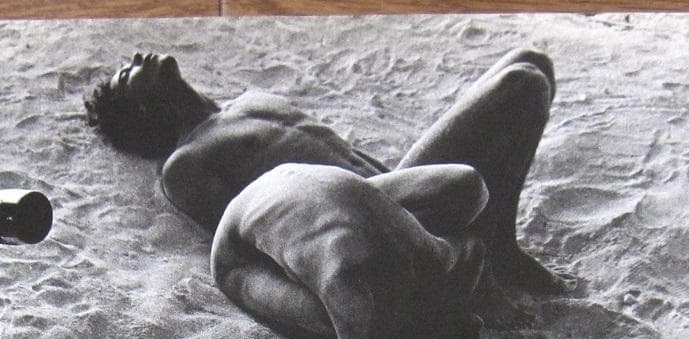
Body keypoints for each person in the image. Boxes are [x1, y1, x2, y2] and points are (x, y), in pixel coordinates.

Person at [85, 47, 565, 294]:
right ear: (141, 109)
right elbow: (247, 239)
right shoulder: (184, 164)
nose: (138, 58)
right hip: (369, 217)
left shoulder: (247, 102)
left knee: (531, 62)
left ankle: (495, 237)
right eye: (128, 73)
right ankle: (496, 247)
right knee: (521, 83)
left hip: (400, 183)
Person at [210, 162, 493, 339]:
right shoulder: (347, 284)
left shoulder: (433, 254)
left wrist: (459, 302)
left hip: (308, 186)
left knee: (349, 316)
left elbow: (473, 248)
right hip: (237, 255)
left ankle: (301, 254)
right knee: (327, 320)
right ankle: (298, 258)